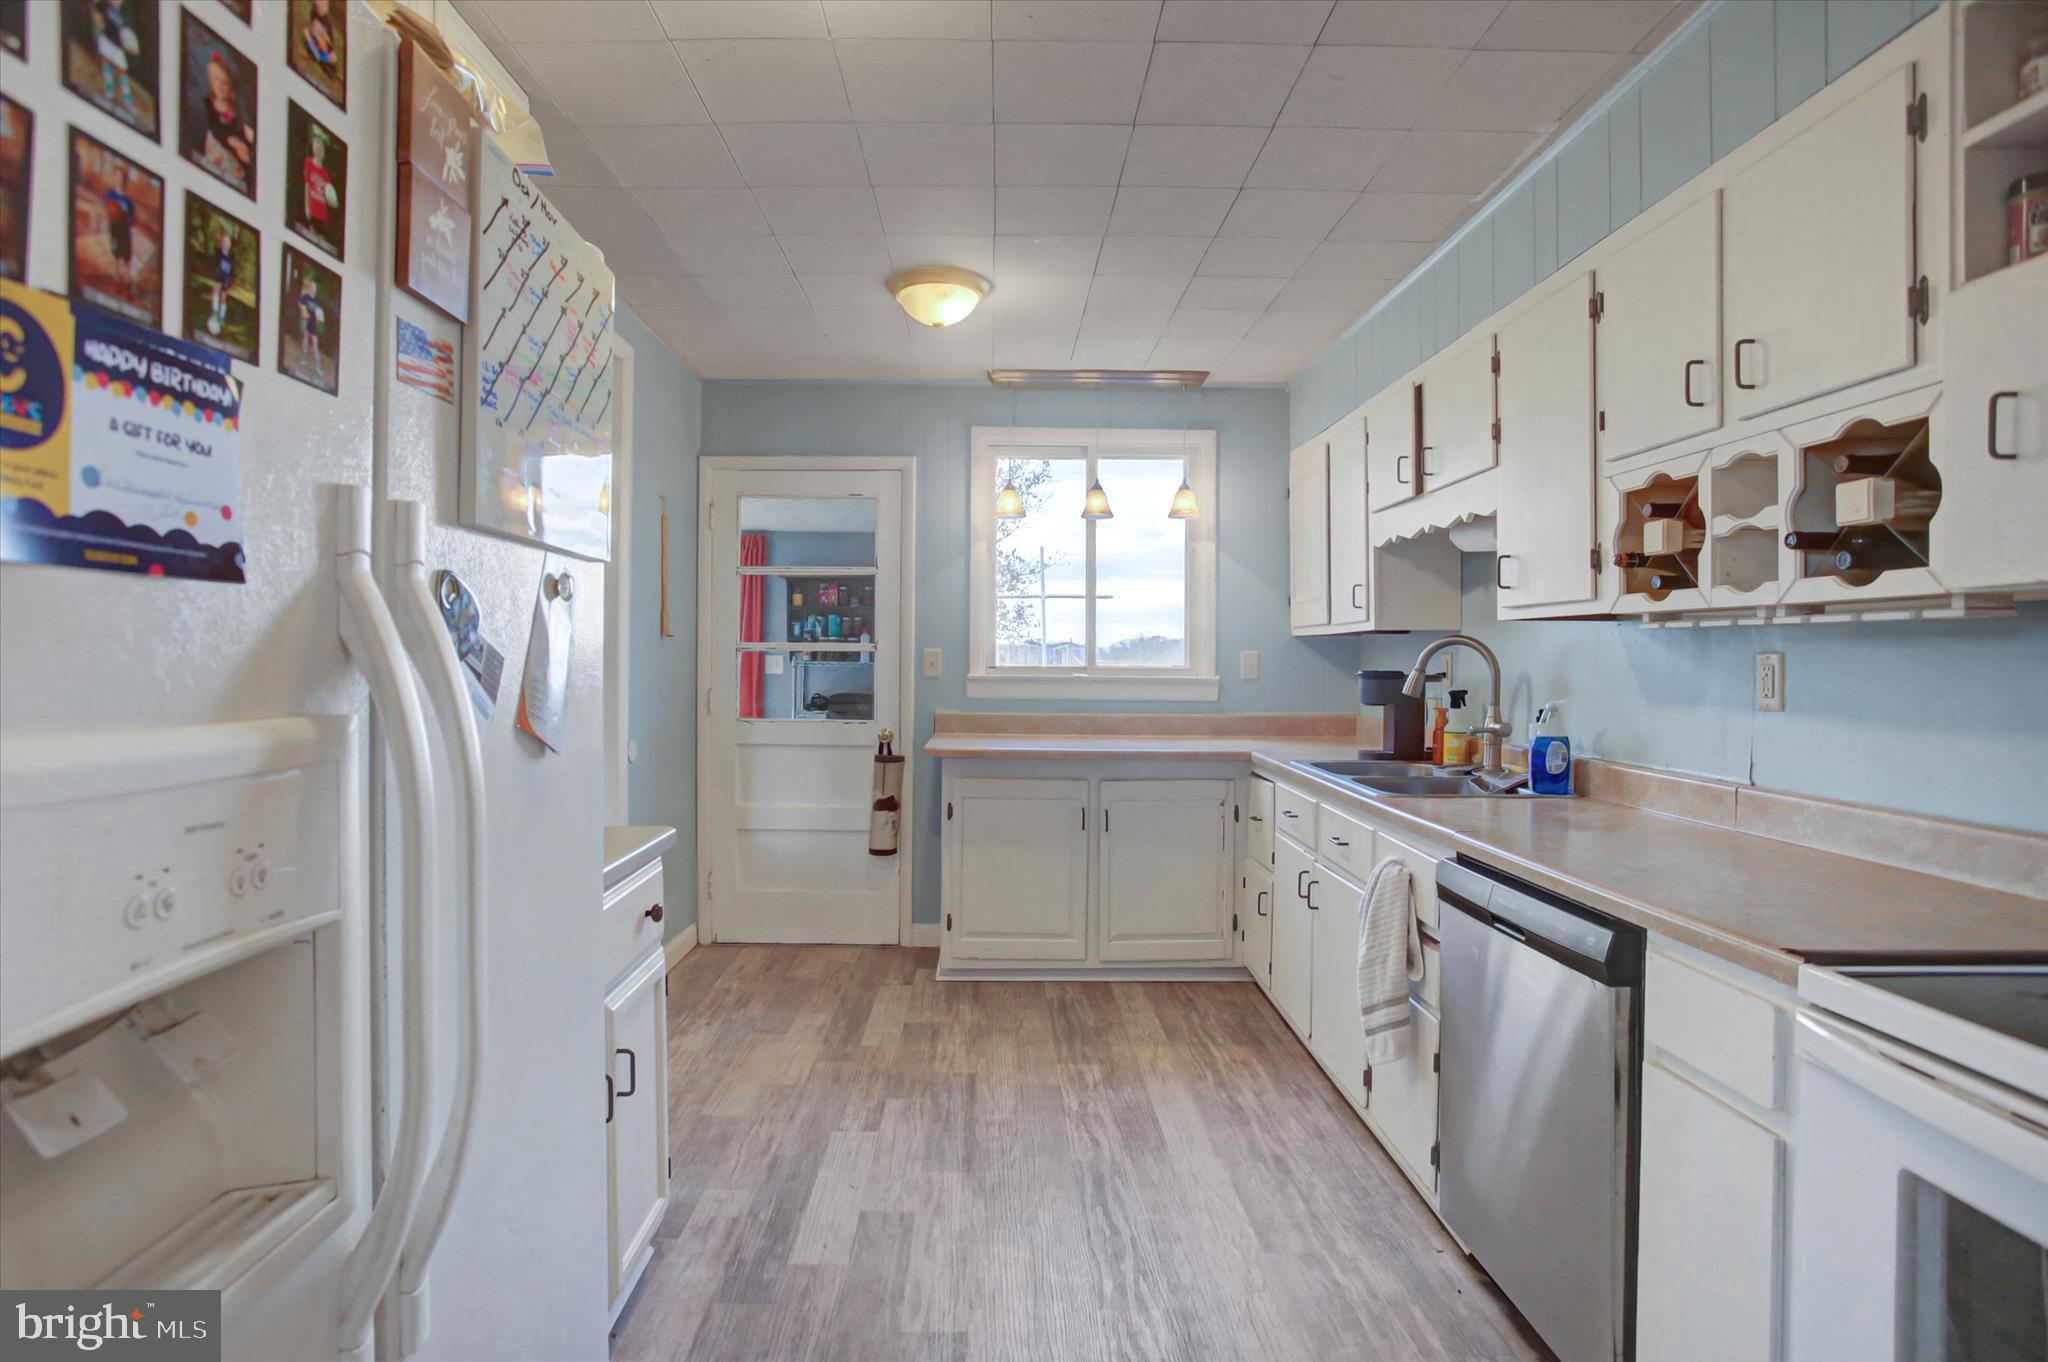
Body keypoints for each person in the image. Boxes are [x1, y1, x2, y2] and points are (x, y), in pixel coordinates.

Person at [202, 51, 253, 185]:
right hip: (217, 158)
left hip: (235, 167)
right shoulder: (207, 106)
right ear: (210, 81)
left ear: (231, 86)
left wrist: (247, 142)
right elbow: (216, 130)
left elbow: (243, 133)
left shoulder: (237, 112)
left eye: (224, 82)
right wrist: (234, 144)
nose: (220, 86)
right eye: (215, 79)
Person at [90, 0, 142, 112]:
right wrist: (97, 21)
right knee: (106, 63)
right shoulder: (103, 6)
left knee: (121, 72)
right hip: (106, 39)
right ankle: (109, 90)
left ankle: (127, 100)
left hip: (117, 47)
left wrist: (132, 46)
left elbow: (127, 35)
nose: (117, 2)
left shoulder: (122, 17)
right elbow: (95, 10)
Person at [102, 161, 134, 290]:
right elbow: (107, 210)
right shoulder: (110, 194)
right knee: (116, 257)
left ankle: (127, 285)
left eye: (121, 177)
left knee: (126, 259)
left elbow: (133, 219)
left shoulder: (128, 201)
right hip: (115, 229)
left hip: (125, 230)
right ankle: (115, 282)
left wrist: (126, 218)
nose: (119, 180)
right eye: (117, 177)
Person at [301, 126, 338, 238]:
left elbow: (328, 194)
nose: (318, 148)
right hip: (312, 209)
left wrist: (333, 202)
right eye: (316, 145)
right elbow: (307, 185)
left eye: (320, 146)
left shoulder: (325, 173)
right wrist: (307, 207)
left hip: (322, 213)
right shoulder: (308, 163)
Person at [294, 267, 325, 380]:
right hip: (306, 321)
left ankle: (317, 366)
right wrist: (303, 312)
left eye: (314, 288)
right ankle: (303, 358)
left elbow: (318, 314)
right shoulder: (305, 297)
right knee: (305, 339)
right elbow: (300, 304)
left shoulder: (316, 301)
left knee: (315, 344)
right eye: (311, 287)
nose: (312, 289)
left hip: (314, 324)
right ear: (308, 288)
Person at [208, 224, 234, 335]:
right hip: (219, 275)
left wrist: (230, 279)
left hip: (226, 278)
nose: (226, 244)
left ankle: (222, 317)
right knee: (215, 290)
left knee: (224, 297)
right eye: (224, 242)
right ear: (221, 243)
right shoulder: (218, 253)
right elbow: (214, 262)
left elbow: (232, 269)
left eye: (227, 243)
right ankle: (215, 312)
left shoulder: (231, 256)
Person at [302, 0, 337, 75]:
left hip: (320, 43)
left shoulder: (321, 56)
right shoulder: (325, 55)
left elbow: (317, 54)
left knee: (312, 29)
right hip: (321, 43)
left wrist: (310, 36)